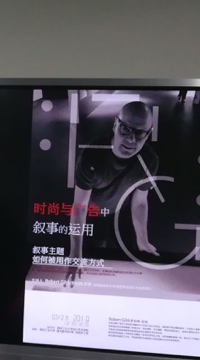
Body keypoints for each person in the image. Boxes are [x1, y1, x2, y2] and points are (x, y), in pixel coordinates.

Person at [67, 101, 159, 281]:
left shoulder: (149, 160)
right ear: (115, 124)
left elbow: (140, 202)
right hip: (93, 213)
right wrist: (75, 253)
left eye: (140, 133)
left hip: (120, 210)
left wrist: (143, 241)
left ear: (148, 134)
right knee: (96, 250)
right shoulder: (92, 155)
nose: (131, 140)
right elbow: (80, 205)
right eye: (126, 129)